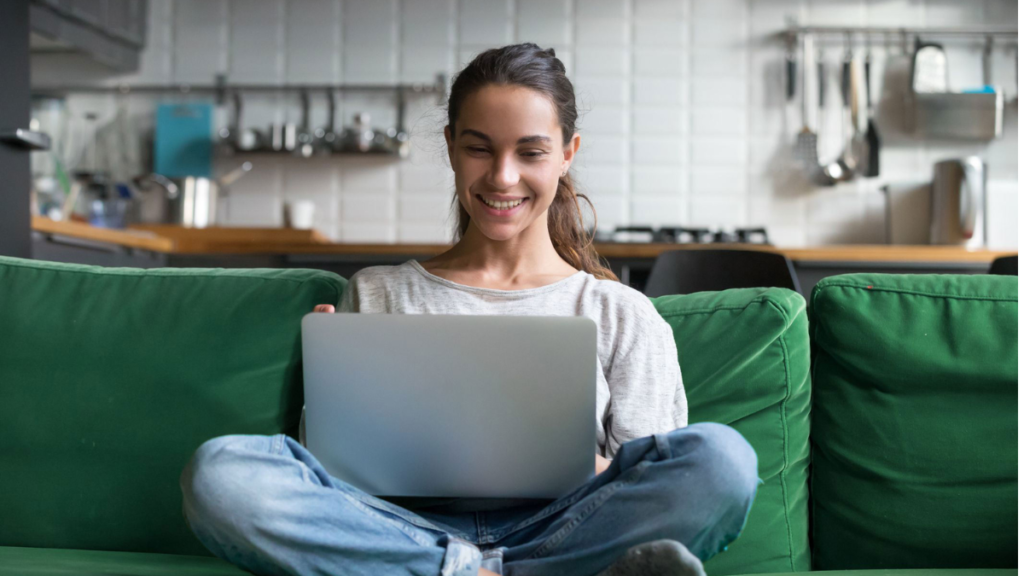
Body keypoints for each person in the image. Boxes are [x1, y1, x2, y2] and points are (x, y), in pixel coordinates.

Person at [180, 43, 759, 576]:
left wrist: (587, 465)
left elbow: (650, 478)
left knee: (722, 460)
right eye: (479, 148)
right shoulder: (378, 292)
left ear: (566, 155)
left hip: (564, 527)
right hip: (400, 528)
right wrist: (329, 398)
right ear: (452, 147)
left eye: (530, 152)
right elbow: (335, 480)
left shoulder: (619, 311)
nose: (502, 176)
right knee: (221, 474)